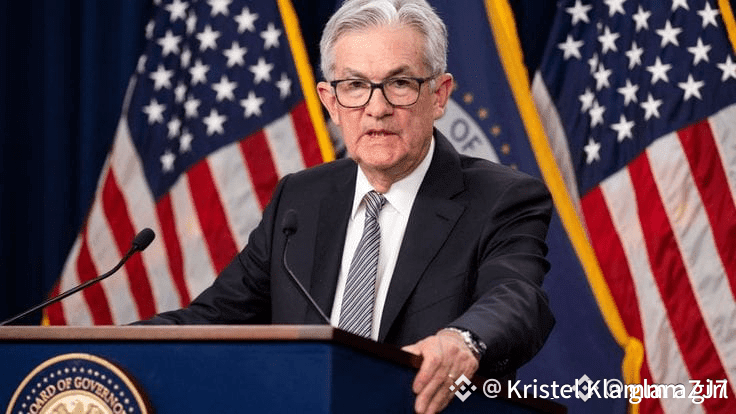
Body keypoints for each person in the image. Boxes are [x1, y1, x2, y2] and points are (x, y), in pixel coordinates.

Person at [138, 0, 554, 412]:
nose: (377, 108)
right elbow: (212, 319)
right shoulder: (299, 199)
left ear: (439, 95)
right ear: (331, 102)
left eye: (400, 83)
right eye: (355, 86)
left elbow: (518, 298)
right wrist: (111, 344)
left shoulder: (502, 198)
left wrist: (462, 340)